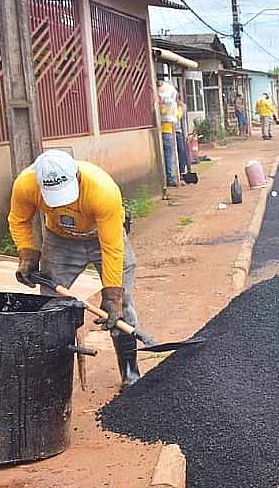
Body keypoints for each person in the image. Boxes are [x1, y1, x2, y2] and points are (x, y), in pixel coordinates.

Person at [9, 150, 140, 389]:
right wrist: (27, 254)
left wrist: (112, 295)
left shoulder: (102, 190)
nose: (64, 202)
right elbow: (19, 220)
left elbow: (111, 248)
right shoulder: (25, 185)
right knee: (50, 305)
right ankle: (56, 373)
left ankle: (130, 370)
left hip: (102, 238)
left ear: (77, 176)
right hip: (61, 240)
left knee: (123, 304)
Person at [156, 81, 179, 187]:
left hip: (163, 130)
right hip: (167, 131)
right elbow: (176, 115)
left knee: (167, 156)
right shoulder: (168, 102)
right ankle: (171, 178)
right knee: (169, 156)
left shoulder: (164, 100)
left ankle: (170, 177)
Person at [175, 97, 190, 180]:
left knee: (182, 151)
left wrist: (186, 134)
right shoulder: (170, 105)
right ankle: (178, 172)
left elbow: (183, 121)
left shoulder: (181, 106)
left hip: (179, 132)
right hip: (172, 131)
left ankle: (182, 171)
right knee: (177, 153)